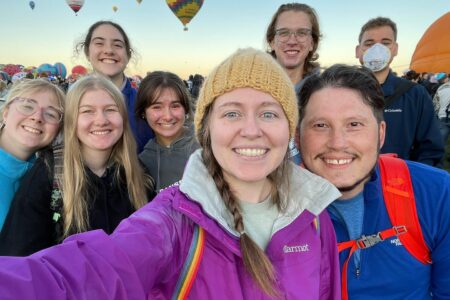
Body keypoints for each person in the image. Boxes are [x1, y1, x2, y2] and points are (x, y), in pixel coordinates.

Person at [0, 48, 341, 299]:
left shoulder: (313, 215)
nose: (251, 130)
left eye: (269, 114)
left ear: (290, 129)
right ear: (206, 130)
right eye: (232, 113)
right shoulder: (172, 222)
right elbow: (94, 270)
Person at [297, 64, 450, 299]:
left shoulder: (435, 193)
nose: (338, 143)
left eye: (354, 124)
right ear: (298, 138)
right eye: (320, 125)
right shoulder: (272, 206)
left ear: (380, 134)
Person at [0, 75, 154, 256]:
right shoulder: (48, 175)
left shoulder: (139, 173)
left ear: (123, 118)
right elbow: (20, 261)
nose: (101, 120)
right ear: (72, 121)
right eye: (87, 111)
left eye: (111, 110)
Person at [355, 17, 444, 167]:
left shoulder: (415, 94)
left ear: (395, 49)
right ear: (358, 51)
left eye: (385, 43)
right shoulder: (340, 91)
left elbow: (430, 150)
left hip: (398, 182)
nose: (377, 49)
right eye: (369, 44)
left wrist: (417, 183)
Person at [75, 20, 153, 152]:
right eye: (99, 43)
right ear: (87, 52)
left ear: (128, 56)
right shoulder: (70, 103)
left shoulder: (146, 105)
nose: (109, 50)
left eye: (117, 45)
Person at [0, 79, 64, 231]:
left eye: (51, 114)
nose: (37, 117)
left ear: (57, 130)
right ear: (5, 113)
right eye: (27, 106)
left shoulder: (50, 178)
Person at [265, 3, 322, 164]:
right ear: (272, 41)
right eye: (283, 33)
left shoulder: (327, 95)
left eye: (302, 33)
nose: (292, 41)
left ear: (312, 43)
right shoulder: (253, 93)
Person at [136, 71, 200, 192]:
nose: (168, 116)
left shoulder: (207, 143)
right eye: (157, 107)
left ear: (185, 108)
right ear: (143, 112)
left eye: (175, 106)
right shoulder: (144, 162)